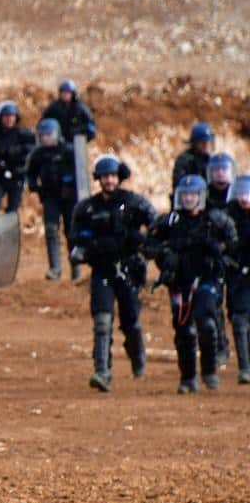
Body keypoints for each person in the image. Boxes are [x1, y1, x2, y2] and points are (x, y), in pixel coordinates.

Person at [70, 154, 156, 392]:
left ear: (119, 177)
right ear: (98, 178)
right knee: (102, 322)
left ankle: (138, 357)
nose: (109, 180)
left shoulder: (134, 202)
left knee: (130, 321)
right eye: (105, 176)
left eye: (113, 176)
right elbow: (76, 238)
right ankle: (102, 371)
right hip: (102, 270)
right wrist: (83, 250)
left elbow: (156, 224)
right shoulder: (87, 208)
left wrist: (145, 243)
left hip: (128, 269)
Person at [146, 175, 238, 394]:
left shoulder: (214, 219)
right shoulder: (169, 222)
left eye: (193, 195)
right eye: (185, 195)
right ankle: (187, 377)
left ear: (201, 197)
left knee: (206, 323)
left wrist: (218, 252)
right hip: (180, 282)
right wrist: (165, 255)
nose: (188, 199)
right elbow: (149, 245)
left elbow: (234, 242)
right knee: (183, 330)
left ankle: (209, 371)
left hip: (207, 279)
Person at [26, 119, 81, 281]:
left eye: (49, 135)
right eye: (42, 136)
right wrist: (35, 187)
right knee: (50, 229)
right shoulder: (38, 154)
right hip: (50, 196)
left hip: (69, 198)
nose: (45, 139)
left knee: (71, 232)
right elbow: (30, 173)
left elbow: (80, 172)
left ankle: (75, 267)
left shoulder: (68, 151)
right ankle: (55, 268)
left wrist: (69, 184)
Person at [0, 101, 36, 215]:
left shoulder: (24, 134)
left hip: (17, 176)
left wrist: (18, 152)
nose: (9, 119)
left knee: (13, 209)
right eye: (6, 116)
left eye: (11, 116)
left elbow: (34, 151)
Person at [223, 176, 250, 384]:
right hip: (237, 275)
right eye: (241, 193)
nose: (244, 198)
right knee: (239, 319)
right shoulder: (227, 216)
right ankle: (244, 367)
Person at [41, 80, 97, 144]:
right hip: (56, 142)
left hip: (75, 142)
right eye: (63, 92)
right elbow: (44, 122)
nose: (65, 94)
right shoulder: (54, 107)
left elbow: (90, 125)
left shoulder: (81, 108)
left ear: (73, 93)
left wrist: (84, 136)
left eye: (67, 92)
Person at [171, 122, 216, 190]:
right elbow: (179, 185)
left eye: (209, 142)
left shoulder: (212, 160)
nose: (206, 145)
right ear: (195, 143)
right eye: (203, 142)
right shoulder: (185, 160)